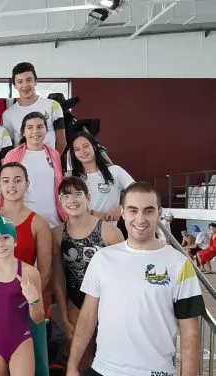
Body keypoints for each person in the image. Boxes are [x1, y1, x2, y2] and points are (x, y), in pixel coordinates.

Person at [66, 182, 205, 376]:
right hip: (103, 370)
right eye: (133, 210)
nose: (140, 218)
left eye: (148, 210)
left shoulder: (180, 265)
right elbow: (87, 318)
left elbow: (191, 333)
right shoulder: (103, 258)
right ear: (122, 212)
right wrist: (72, 365)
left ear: (159, 212)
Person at [51, 177, 124, 371]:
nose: (72, 200)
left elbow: (124, 278)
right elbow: (58, 279)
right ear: (60, 201)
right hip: (76, 302)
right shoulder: (57, 234)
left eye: (77, 194)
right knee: (80, 362)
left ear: (88, 198)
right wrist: (65, 318)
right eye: (66, 195)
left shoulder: (109, 233)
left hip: (108, 303)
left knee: (111, 359)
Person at [0, 162, 52, 376]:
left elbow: (45, 272)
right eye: (6, 181)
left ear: (27, 184)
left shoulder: (38, 223)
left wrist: (28, 302)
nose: (12, 186)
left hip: (28, 307)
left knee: (34, 367)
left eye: (18, 180)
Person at [0, 215, 44, 376]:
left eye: (6, 237)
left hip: (21, 341)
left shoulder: (29, 272)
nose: (0, 244)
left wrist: (33, 300)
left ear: (15, 241)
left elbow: (39, 318)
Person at [0, 112, 66, 228]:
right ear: (23, 132)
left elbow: (58, 186)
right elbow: (6, 188)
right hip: (24, 221)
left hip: (53, 221)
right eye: (30, 127)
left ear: (46, 130)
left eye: (40, 127)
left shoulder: (54, 154)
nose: (35, 131)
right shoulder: (12, 155)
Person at [68, 131, 134, 223]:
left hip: (109, 233)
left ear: (94, 147)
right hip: (80, 231)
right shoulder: (70, 177)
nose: (82, 151)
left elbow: (138, 192)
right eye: (77, 149)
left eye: (86, 146)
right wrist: (91, 213)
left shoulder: (115, 171)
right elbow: (65, 205)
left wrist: (123, 207)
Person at [1, 62, 65, 154]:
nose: (25, 85)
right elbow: (9, 147)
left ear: (35, 81)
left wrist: (53, 162)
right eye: (20, 81)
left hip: (48, 165)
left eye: (29, 80)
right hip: (21, 166)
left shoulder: (53, 106)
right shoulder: (8, 114)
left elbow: (62, 142)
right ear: (15, 85)